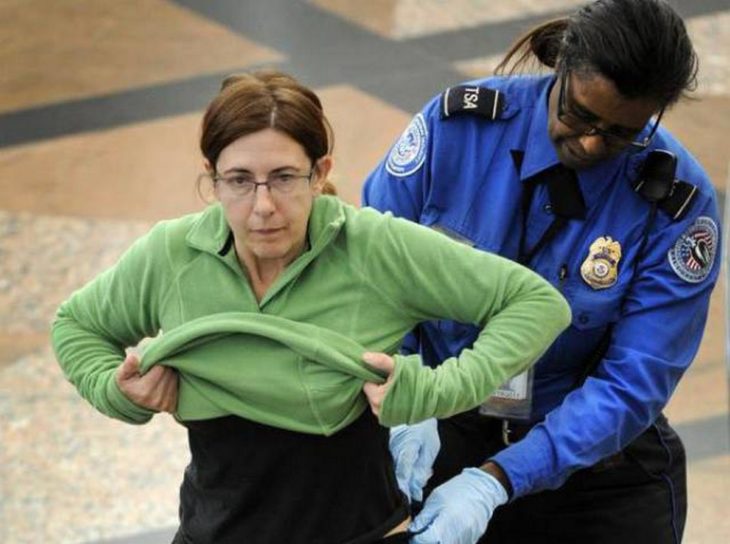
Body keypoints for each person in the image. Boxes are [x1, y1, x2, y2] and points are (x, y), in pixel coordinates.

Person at [51, 70, 571, 544]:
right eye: (238, 181)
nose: (263, 207)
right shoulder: (172, 255)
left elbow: (534, 302)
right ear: (211, 178)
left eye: (284, 177)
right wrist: (118, 393)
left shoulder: (373, 247)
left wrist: (440, 389)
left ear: (320, 173)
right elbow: (77, 325)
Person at [362, 0, 720, 542]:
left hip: (590, 465)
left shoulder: (676, 206)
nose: (592, 142)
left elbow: (632, 383)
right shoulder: (457, 128)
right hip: (439, 423)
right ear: (562, 65)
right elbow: (370, 271)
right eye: (579, 114)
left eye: (622, 132)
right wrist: (407, 394)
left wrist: (499, 479)